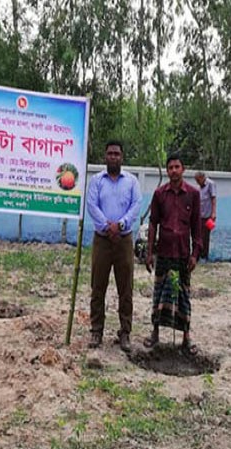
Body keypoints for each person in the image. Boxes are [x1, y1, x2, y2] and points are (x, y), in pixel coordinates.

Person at [85, 140, 143, 352]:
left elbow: (136, 205)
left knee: (125, 288)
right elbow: (92, 205)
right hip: (102, 241)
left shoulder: (132, 182)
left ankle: (125, 332)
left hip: (124, 241)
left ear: (122, 157)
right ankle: (96, 331)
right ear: (105, 156)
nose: (113, 157)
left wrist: (120, 225)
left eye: (117, 154)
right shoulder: (96, 181)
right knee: (98, 286)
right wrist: (107, 227)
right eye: (110, 153)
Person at [144, 153, 202, 355]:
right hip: (164, 252)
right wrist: (149, 252)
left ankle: (186, 337)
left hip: (184, 254)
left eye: (177, 167)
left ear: (183, 169)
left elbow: (197, 227)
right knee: (160, 292)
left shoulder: (193, 195)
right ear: (167, 171)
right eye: (170, 167)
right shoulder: (160, 194)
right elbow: (153, 224)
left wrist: (195, 254)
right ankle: (155, 333)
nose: (174, 171)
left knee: (184, 294)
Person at [194, 171, 217, 260]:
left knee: (205, 236)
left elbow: (213, 198)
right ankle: (198, 254)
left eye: (197, 180)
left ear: (202, 178)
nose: (197, 182)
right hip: (200, 215)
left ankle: (204, 255)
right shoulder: (199, 187)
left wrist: (214, 213)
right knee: (198, 235)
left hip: (208, 215)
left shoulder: (210, 184)